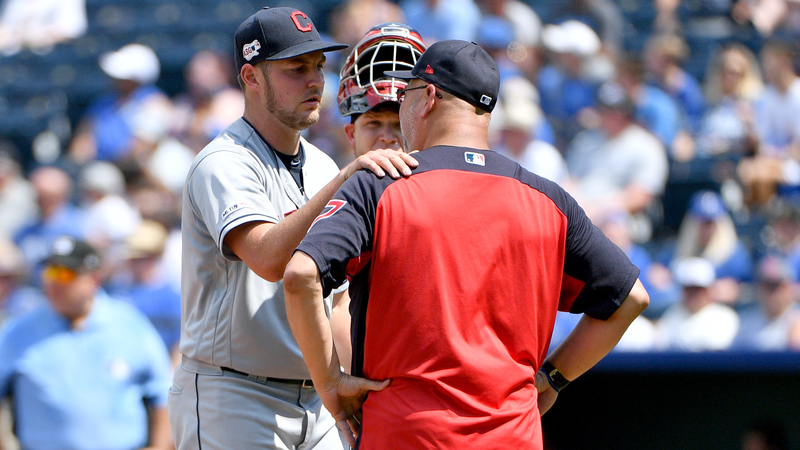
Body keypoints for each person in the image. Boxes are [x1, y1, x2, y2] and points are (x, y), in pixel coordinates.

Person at [284, 39, 649, 449]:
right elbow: (630, 298)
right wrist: (554, 378)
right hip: (513, 434)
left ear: (429, 98)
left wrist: (330, 383)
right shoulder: (551, 199)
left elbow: (300, 275)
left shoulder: (381, 182)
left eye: (405, 96)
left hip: (406, 433)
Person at [166, 7, 418, 450]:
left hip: (317, 398)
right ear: (251, 77)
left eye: (319, 66)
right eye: (296, 69)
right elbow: (267, 258)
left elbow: (336, 302)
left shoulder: (321, 165)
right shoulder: (223, 162)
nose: (316, 80)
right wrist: (346, 179)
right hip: (236, 395)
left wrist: (349, 381)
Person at [0, 236, 173, 450]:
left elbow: (163, 392)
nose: (54, 283)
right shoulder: (18, 331)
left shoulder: (129, 323)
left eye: (65, 274)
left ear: (93, 279)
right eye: (50, 272)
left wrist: (159, 447)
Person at [655, 257, 741, 351]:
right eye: (689, 288)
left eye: (698, 289)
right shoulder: (672, 314)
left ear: (709, 289)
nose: (693, 294)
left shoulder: (725, 316)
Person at [732, 255, 800, 351]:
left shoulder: (796, 321)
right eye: (767, 286)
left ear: (788, 287)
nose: (773, 293)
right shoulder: (745, 323)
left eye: (776, 286)